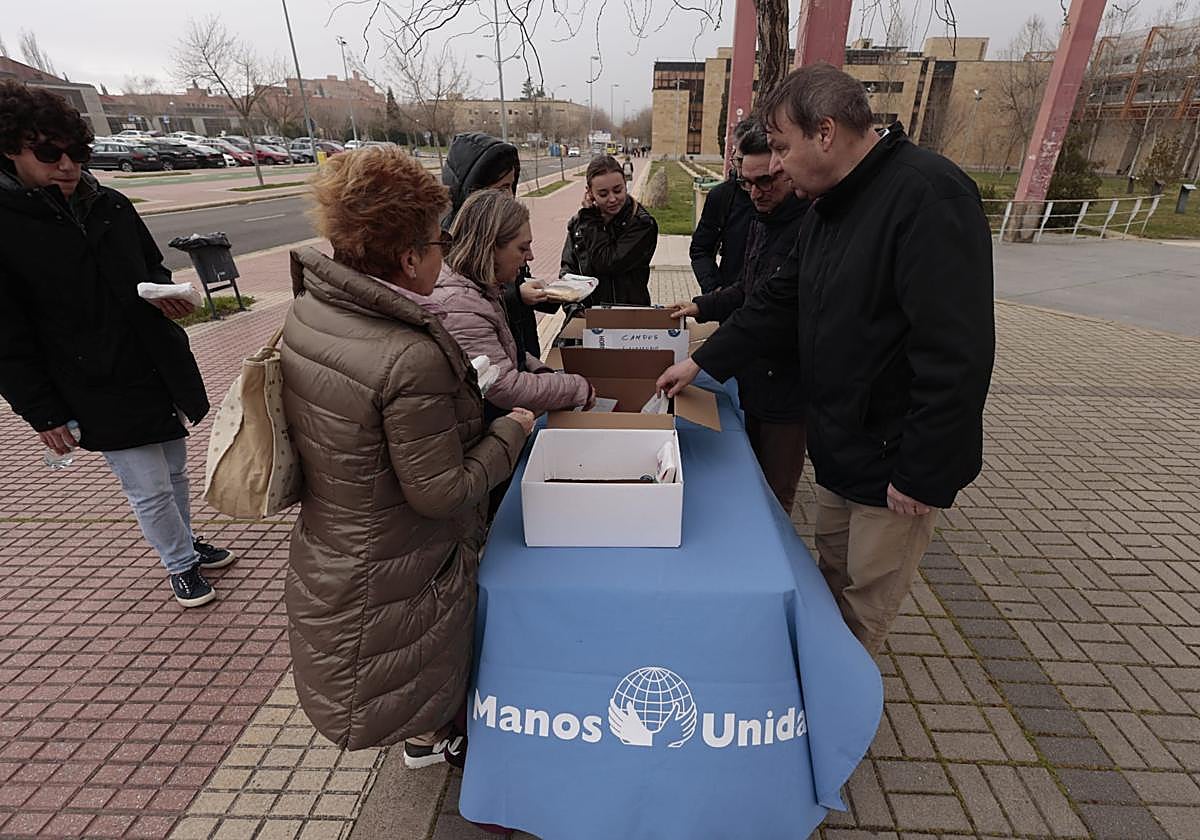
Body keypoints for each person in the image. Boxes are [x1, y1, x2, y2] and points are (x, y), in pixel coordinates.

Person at [657, 64, 995, 654]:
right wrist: (702, 363)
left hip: (895, 465)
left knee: (863, 610)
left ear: (827, 133)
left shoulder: (928, 196)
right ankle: (817, 684)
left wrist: (922, 472)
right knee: (829, 583)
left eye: (783, 147)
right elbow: (779, 299)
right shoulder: (831, 208)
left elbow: (957, 355)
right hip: (840, 446)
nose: (777, 166)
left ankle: (837, 726)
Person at [280, 147, 535, 764]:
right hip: (398, 557)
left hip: (339, 539)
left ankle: (424, 736)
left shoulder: (313, 311)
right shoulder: (407, 354)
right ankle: (433, 740)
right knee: (416, 673)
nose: (445, 253)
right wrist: (512, 432)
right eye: (438, 242)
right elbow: (441, 490)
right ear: (409, 256)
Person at [0, 80, 232, 609]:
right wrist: (42, 412)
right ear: (11, 148)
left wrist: (166, 297)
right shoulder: (8, 223)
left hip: (153, 363)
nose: (66, 165)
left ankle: (184, 544)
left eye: (76, 152)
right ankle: (179, 565)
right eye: (49, 153)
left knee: (173, 470)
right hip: (90, 379)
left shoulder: (109, 202)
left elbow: (149, 268)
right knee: (146, 484)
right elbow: (6, 335)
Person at [667, 120, 808, 512]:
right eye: (746, 183)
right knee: (750, 473)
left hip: (788, 383)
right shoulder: (764, 217)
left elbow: (768, 308)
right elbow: (748, 286)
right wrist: (703, 305)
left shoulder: (807, 225)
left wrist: (697, 362)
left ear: (787, 167)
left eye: (766, 182)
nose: (755, 193)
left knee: (775, 489)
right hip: (755, 371)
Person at [431, 190, 594, 419]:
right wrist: (576, 388)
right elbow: (505, 387)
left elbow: (502, 351)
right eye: (522, 247)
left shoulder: (481, 289)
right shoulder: (460, 306)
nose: (530, 256)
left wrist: (542, 372)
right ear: (491, 247)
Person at [442, 132, 549, 358]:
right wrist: (516, 295)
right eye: (500, 188)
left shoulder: (502, 225)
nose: (509, 196)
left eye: (511, 186)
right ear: (473, 190)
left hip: (519, 347)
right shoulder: (453, 241)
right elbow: (469, 302)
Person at [561, 154, 658, 306]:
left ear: (625, 184)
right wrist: (572, 308)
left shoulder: (642, 224)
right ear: (590, 192)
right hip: (587, 314)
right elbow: (568, 271)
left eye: (618, 190)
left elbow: (607, 262)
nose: (612, 199)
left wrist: (591, 221)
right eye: (603, 194)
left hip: (628, 316)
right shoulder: (580, 223)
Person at [690, 120, 756, 294]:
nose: (744, 171)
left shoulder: (791, 197)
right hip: (729, 304)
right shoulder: (722, 196)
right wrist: (715, 290)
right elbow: (700, 249)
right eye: (740, 160)